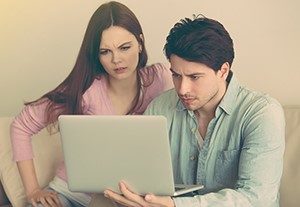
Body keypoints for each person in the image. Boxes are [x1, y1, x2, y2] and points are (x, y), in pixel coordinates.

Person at [103, 15, 285, 207]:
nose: (182, 89)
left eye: (194, 77)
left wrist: (175, 206)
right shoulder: (160, 107)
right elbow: (138, 174)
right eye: (176, 75)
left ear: (223, 71)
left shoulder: (262, 113)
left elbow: (257, 198)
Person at [10, 1, 172, 207]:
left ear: (140, 43)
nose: (117, 59)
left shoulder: (161, 79)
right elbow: (20, 126)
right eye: (105, 51)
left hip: (123, 199)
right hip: (68, 193)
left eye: (125, 47)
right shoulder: (87, 90)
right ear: (96, 54)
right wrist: (32, 190)